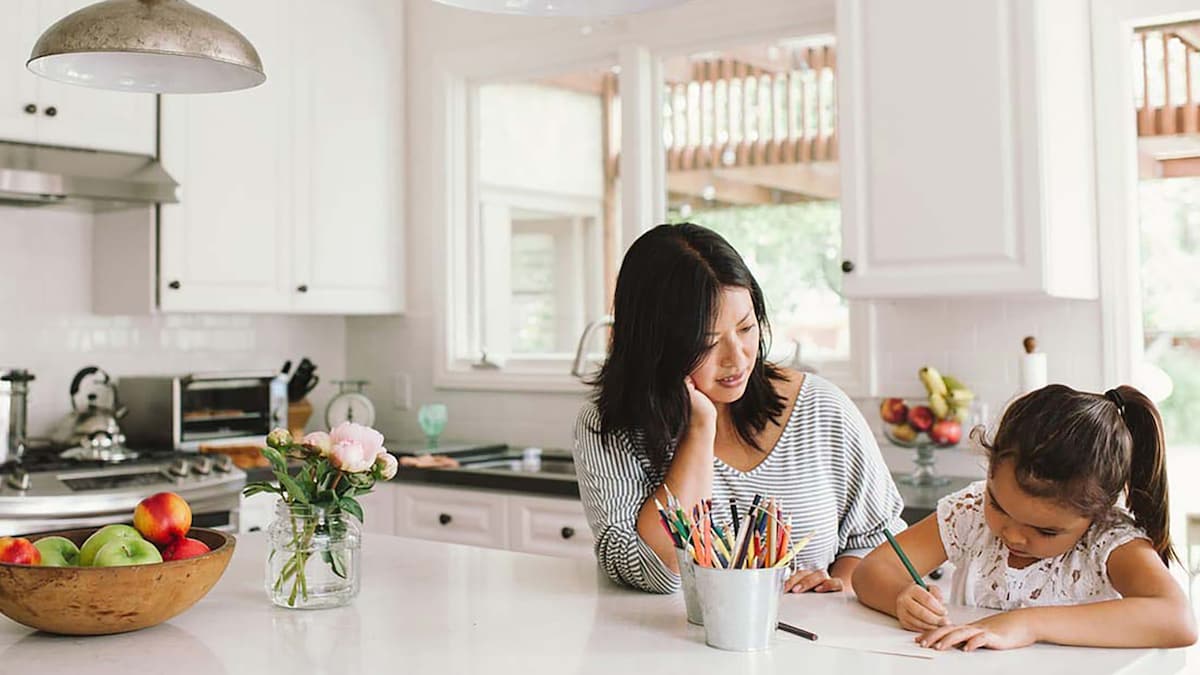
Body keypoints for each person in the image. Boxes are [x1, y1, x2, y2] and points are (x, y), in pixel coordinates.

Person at [572, 222, 905, 595]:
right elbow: (657, 572)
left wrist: (838, 586)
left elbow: (882, 542)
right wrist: (700, 431)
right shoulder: (609, 426)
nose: (737, 358)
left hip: (809, 646)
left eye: (746, 329)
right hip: (662, 649)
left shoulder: (821, 408)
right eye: (708, 343)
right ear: (655, 347)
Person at [852, 384, 1198, 651]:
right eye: (999, 506)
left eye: (1046, 531)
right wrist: (900, 598)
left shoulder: (1108, 540)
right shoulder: (971, 512)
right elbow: (873, 570)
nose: (1013, 536)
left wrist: (1027, 624)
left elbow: (1178, 621)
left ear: (1099, 512)